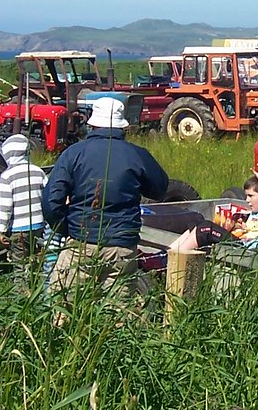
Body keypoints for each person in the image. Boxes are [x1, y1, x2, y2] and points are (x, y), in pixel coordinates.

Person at [42, 97, 169, 298]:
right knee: (118, 313)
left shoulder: (73, 153)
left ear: (92, 124)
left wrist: (67, 228)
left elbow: (51, 201)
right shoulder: (137, 154)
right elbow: (160, 189)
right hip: (122, 247)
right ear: (123, 127)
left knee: (64, 308)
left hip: (81, 244)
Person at [170, 173, 258, 252]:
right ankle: (168, 254)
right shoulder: (253, 213)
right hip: (239, 242)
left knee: (206, 229)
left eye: (250, 196)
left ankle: (171, 261)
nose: (247, 200)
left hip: (247, 249)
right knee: (196, 223)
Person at [0, 134, 47, 270]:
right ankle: (37, 286)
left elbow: (6, 207)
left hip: (19, 229)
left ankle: (22, 289)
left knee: (20, 264)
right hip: (38, 225)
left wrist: (2, 231)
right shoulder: (38, 172)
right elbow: (47, 197)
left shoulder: (7, 176)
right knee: (36, 259)